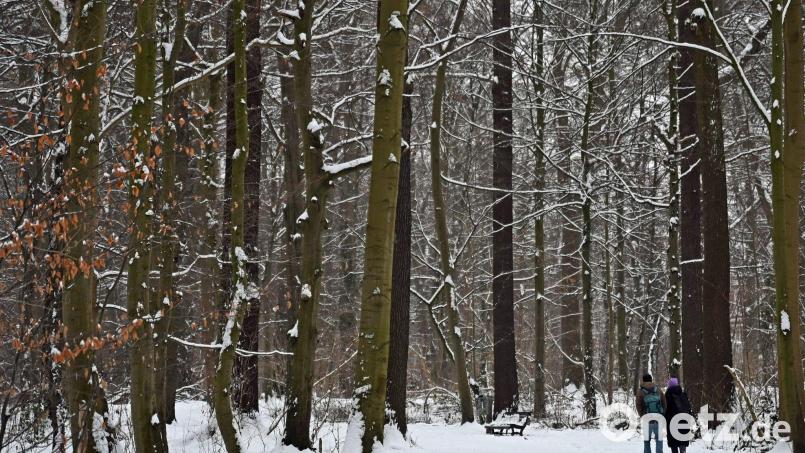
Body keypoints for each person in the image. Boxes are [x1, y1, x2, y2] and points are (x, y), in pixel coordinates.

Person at [636, 373, 666, 453]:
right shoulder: (658, 389)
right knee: (659, 440)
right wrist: (662, 414)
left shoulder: (640, 391)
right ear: (651, 380)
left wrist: (642, 415)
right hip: (658, 418)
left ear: (643, 380)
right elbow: (664, 403)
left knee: (647, 440)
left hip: (647, 418)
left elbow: (638, 405)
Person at [664, 378, 692, 453]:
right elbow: (689, 409)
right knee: (682, 445)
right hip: (684, 422)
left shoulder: (667, 396)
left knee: (674, 445)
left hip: (672, 423)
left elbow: (665, 410)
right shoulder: (683, 395)